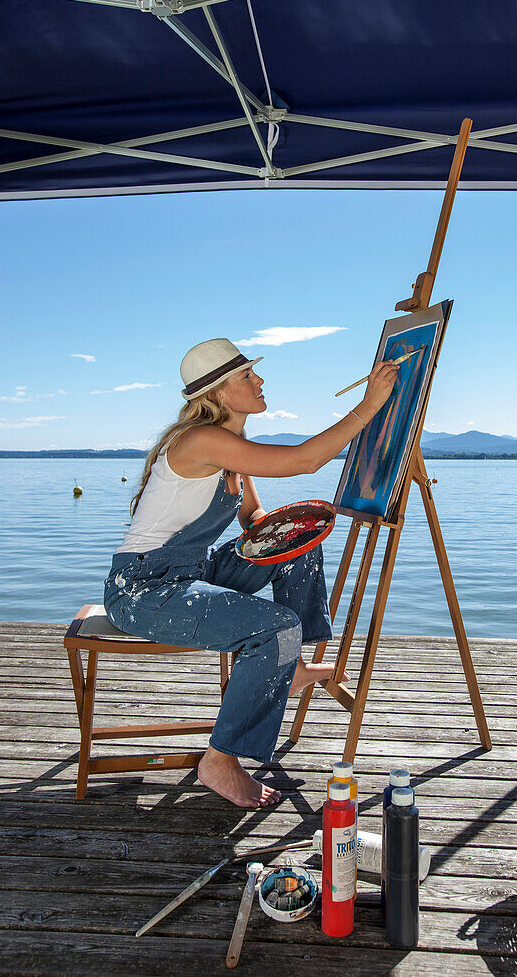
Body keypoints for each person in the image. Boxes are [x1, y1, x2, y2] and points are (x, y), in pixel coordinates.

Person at [104, 338, 398, 810]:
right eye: (246, 376)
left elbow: (253, 520)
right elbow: (303, 460)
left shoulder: (233, 450)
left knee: (299, 545)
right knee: (274, 627)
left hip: (191, 572)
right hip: (143, 589)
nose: (259, 381)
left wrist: (290, 530)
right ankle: (219, 761)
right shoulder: (201, 442)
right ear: (219, 393)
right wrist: (369, 406)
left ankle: (292, 665)